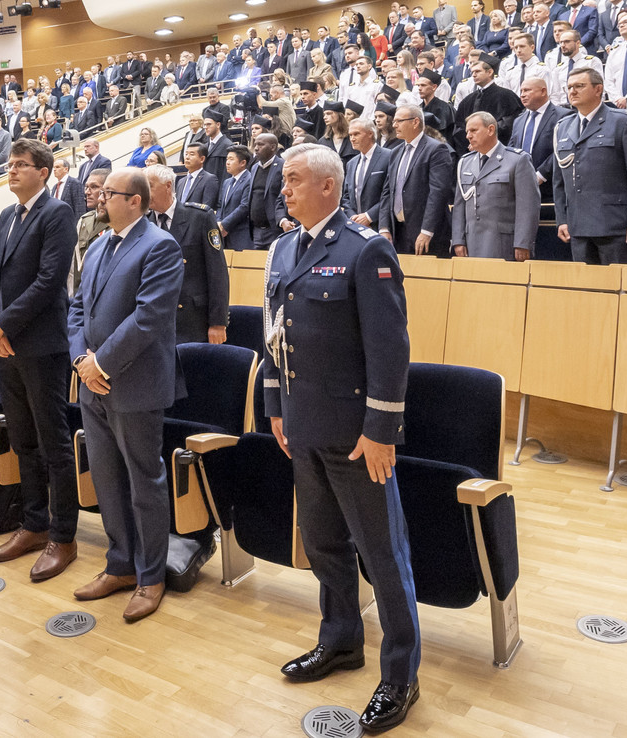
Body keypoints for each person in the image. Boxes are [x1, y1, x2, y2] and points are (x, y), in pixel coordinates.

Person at [263, 143, 421, 735]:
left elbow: (390, 349)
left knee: (383, 556)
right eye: (284, 180)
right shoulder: (283, 248)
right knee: (324, 544)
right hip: (302, 427)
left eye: (294, 179)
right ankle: (341, 640)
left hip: (356, 437)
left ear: (328, 185)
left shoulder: (365, 249)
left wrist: (381, 431)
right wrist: (275, 407)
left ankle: (401, 675)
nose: (284, 189)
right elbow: (274, 335)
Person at [68, 167, 183, 624]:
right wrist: (81, 359)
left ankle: (150, 576)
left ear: (135, 200)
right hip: (91, 382)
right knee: (107, 479)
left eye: (108, 193)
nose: (99, 198)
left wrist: (100, 364)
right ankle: (119, 565)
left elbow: (148, 317)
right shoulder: (99, 244)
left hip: (133, 383)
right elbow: (77, 308)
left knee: (143, 482)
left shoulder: (160, 246)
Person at [0, 140, 81, 580]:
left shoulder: (57, 213)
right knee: (22, 439)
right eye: (9, 164)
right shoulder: (7, 215)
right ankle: (35, 524)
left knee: (53, 443)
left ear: (43, 171)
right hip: (5, 344)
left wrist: (2, 324)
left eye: (21, 164)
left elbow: (49, 281)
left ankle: (64, 536)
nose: (12, 170)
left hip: (41, 345)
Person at [552, 69, 627, 265]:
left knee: (620, 282)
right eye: (569, 87)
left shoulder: (623, 121)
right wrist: (562, 220)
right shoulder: (562, 127)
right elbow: (559, 181)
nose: (572, 91)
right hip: (577, 226)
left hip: (616, 226)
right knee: (584, 284)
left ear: (598, 89)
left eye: (579, 86)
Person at [144, 164, 229, 345]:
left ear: (168, 186)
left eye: (149, 186)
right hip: (154, 320)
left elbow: (217, 273)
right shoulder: (144, 223)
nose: (144, 192)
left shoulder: (199, 217)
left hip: (191, 319)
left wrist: (218, 323)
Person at [452, 112, 540, 262]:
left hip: (503, 244)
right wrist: (458, 240)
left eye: (473, 130)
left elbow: (528, 206)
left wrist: (523, 243)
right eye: (467, 131)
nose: (468, 136)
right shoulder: (465, 162)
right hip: (471, 243)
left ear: (491, 130)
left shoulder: (517, 160)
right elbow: (460, 205)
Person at [377, 104, 454, 257]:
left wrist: (427, 231)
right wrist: (384, 227)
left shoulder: (436, 149)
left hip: (426, 234)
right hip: (398, 232)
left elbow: (438, 193)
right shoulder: (395, 152)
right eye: (394, 121)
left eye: (399, 121)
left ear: (415, 122)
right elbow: (387, 192)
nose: (394, 125)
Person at [509, 77, 565, 203]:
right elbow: (511, 151)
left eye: (527, 90)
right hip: (522, 189)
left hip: (551, 189)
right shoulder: (518, 120)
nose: (522, 95)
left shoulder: (563, 116)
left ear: (543, 91)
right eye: (521, 91)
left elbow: (562, 149)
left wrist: (541, 175)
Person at [343, 116, 395, 229]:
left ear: (370, 133)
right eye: (350, 135)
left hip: (380, 225)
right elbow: (346, 196)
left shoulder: (389, 156)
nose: (352, 139)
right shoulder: (351, 163)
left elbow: (392, 193)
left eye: (356, 134)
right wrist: (353, 217)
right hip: (355, 225)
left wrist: (369, 216)